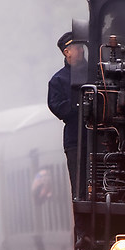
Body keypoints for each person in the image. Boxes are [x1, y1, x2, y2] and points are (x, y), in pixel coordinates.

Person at [47, 31, 86, 164]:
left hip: (102, 136)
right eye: (78, 48)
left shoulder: (97, 72)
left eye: (82, 47)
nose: (82, 51)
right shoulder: (58, 80)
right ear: (67, 52)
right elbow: (58, 108)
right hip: (76, 140)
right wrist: (79, 103)